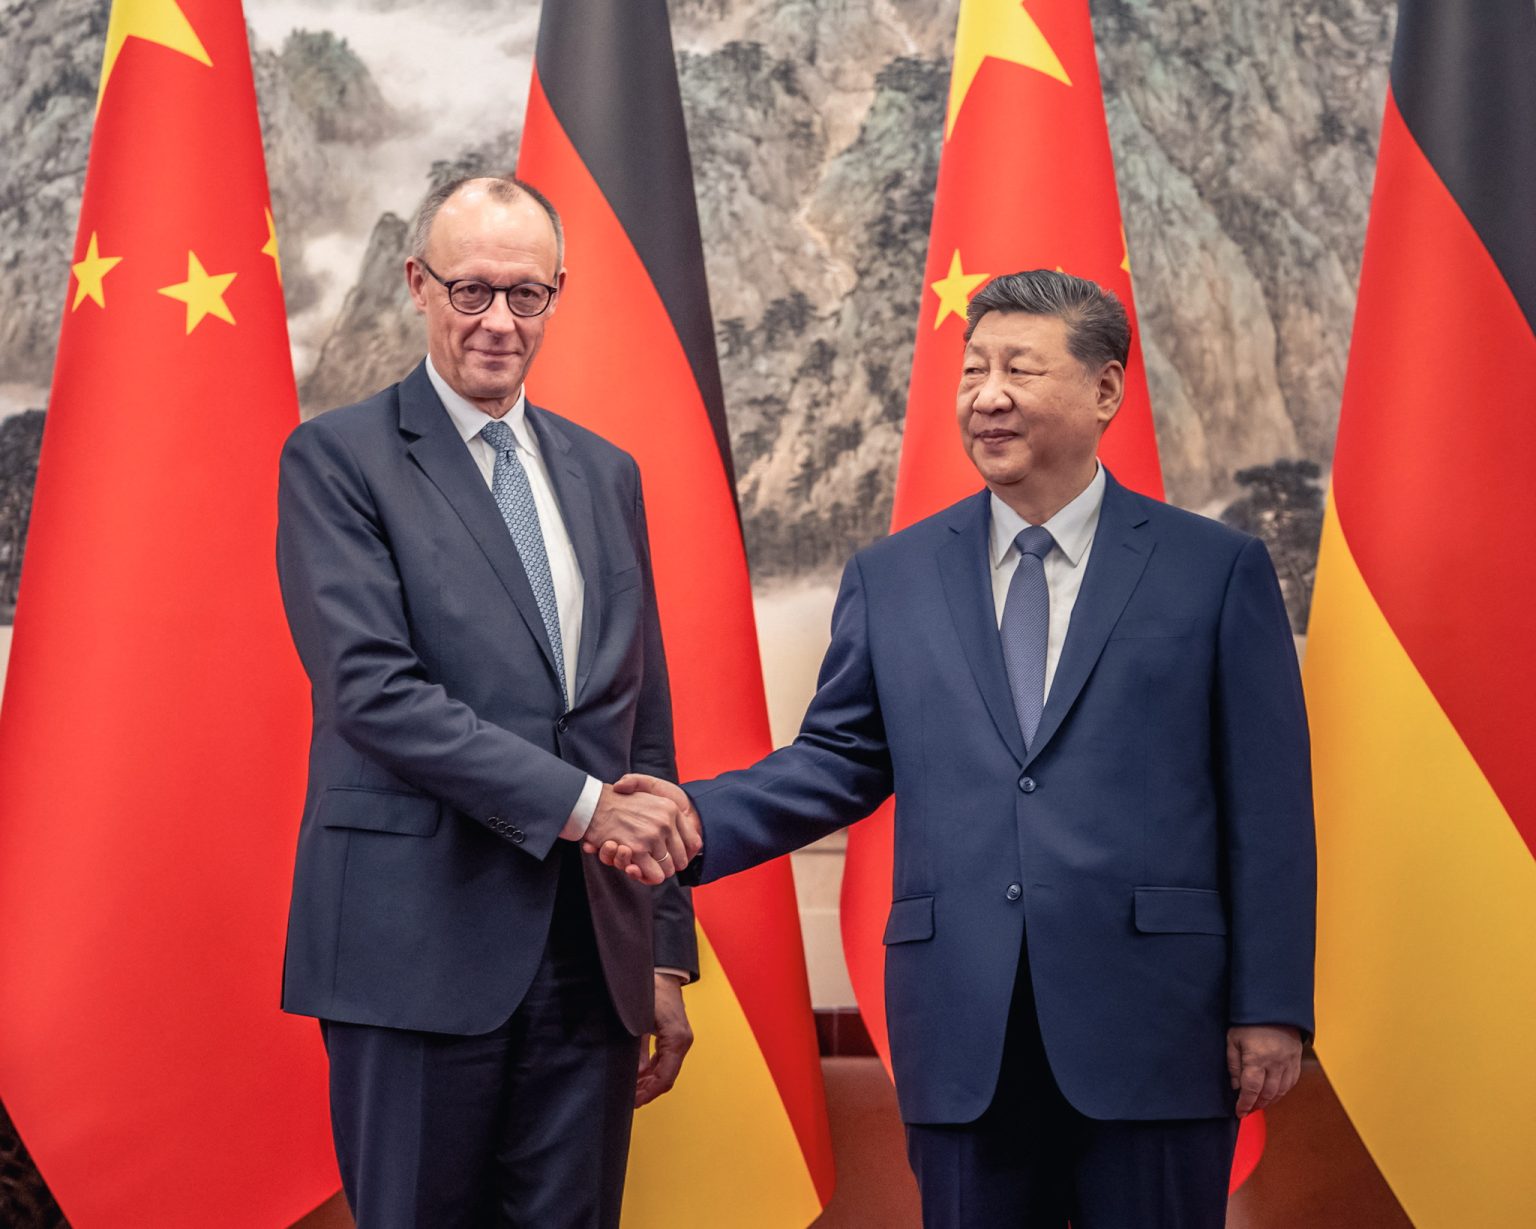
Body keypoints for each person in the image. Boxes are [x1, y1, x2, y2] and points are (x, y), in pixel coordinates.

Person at [610, 270, 1316, 1228]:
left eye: (1019, 369)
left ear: (1106, 390)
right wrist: (695, 820)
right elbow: (840, 758)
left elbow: (1267, 806)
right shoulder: (894, 576)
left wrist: (1270, 1003)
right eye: (973, 368)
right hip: (962, 1023)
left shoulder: (1213, 570)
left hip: (1157, 1023)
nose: (987, 394)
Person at [275, 174, 701, 1229]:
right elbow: (374, 693)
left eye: (527, 294)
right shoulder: (338, 460)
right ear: (418, 285)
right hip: (413, 948)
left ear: (559, 294)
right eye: (470, 291)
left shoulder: (607, 474)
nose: (499, 322)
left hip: (588, 958)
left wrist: (659, 948)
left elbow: (640, 723)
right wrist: (591, 809)